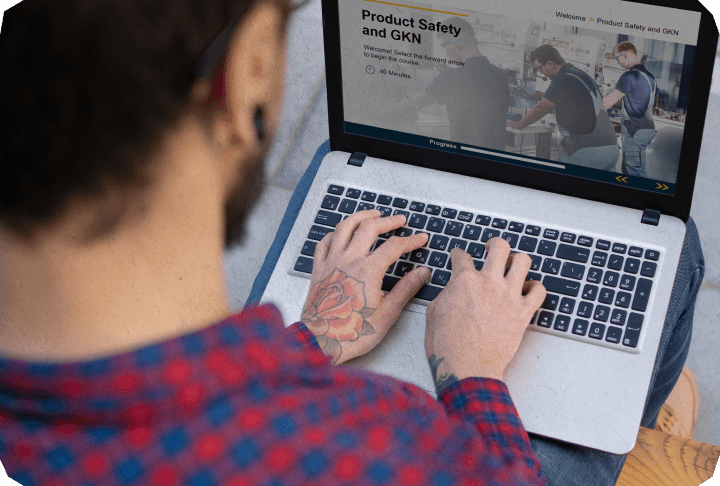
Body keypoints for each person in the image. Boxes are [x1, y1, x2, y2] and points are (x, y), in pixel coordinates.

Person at [0, 1, 705, 486]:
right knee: (676, 248)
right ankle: (646, 428)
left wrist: (313, 336)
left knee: (341, 177)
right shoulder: (381, 443)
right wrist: (470, 373)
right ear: (246, 69)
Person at [399, 17, 510, 151]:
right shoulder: (501, 76)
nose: (446, 52)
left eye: (445, 46)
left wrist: (385, 112)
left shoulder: (451, 77)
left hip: (465, 159)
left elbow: (414, 103)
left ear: (457, 44)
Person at [507, 44, 620, 170]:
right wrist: (530, 96)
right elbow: (557, 95)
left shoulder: (561, 79)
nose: (541, 72)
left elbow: (542, 108)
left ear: (550, 64)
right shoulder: (579, 74)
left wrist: (519, 124)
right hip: (611, 148)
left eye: (540, 69)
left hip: (590, 150)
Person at [602, 41, 657, 178]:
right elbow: (638, 101)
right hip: (645, 128)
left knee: (634, 173)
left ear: (625, 55)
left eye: (617, 58)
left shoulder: (629, 76)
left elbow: (607, 103)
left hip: (635, 132)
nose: (617, 62)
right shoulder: (650, 76)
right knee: (631, 169)